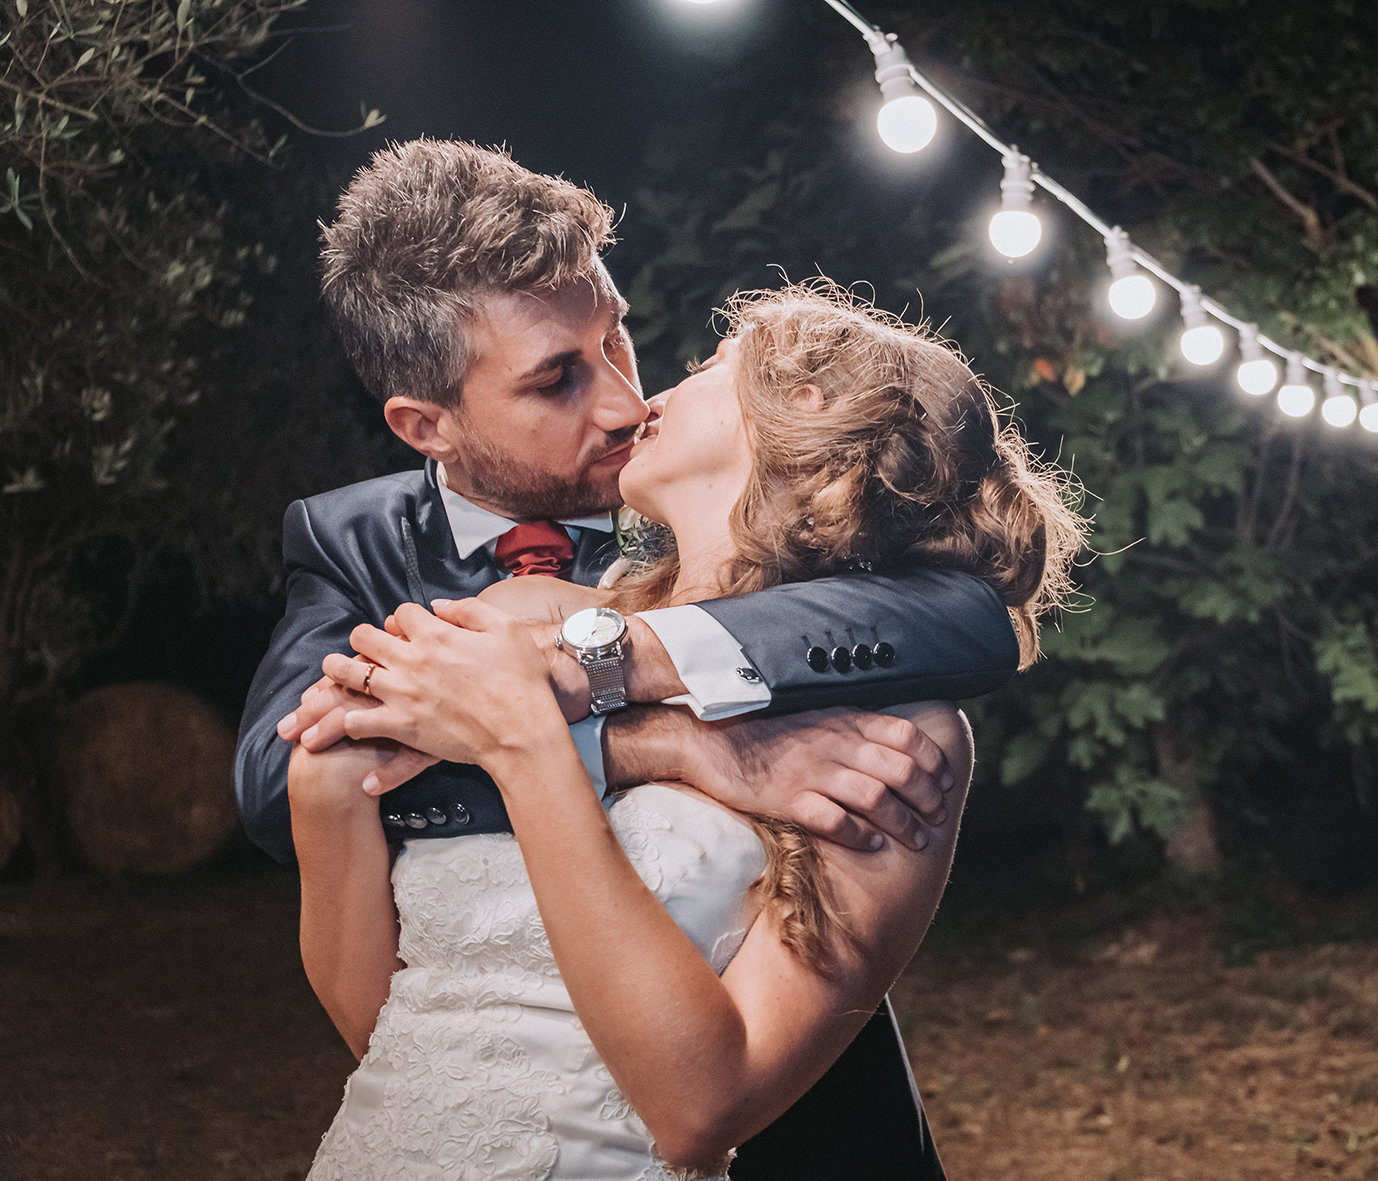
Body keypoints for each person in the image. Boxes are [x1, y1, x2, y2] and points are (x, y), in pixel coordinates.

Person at [235, 140, 1028, 1180]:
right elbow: (284, 782)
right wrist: (665, 746)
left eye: (619, 341)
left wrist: (613, 667)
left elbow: (966, 621)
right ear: (424, 423)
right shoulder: (368, 553)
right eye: (558, 376)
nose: (620, 402)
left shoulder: (806, 639)